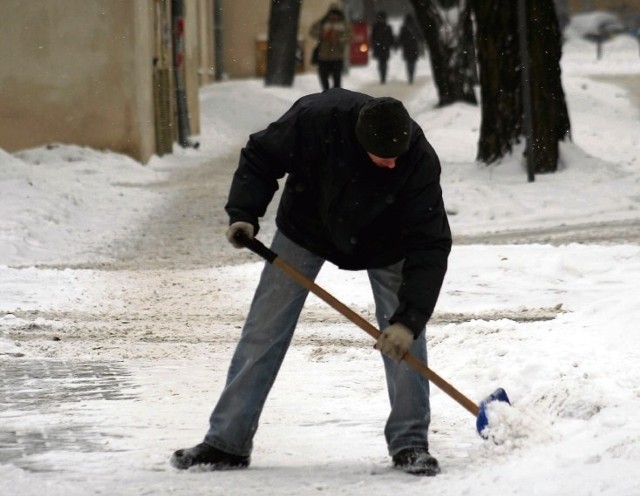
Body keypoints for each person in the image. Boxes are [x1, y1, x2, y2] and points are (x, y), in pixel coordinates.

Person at [170, 88, 452, 476]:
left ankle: (410, 443)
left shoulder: (417, 160)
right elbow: (261, 155)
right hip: (307, 226)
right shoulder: (317, 118)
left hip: (390, 243)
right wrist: (244, 213)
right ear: (358, 138)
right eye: (381, 156)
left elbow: (430, 245)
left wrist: (408, 321)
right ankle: (227, 441)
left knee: (406, 340)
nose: (390, 164)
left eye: (395, 157)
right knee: (263, 328)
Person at [309, 4, 352, 91]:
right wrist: (321, 34)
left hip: (337, 57)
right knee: (324, 80)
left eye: (336, 14)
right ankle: (326, 96)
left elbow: (350, 36)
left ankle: (336, 98)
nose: (333, 16)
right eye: (332, 14)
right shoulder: (323, 23)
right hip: (323, 57)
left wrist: (339, 40)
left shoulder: (343, 24)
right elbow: (312, 31)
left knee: (337, 82)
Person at [397, 14, 425, 84]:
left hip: (407, 48)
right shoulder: (415, 28)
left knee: (409, 63)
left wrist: (398, 45)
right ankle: (411, 75)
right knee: (412, 63)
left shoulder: (404, 28)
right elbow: (420, 37)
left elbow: (400, 38)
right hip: (414, 48)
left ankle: (410, 75)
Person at [370, 11, 395, 84]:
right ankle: (382, 76)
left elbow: (391, 37)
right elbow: (373, 37)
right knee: (381, 63)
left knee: (383, 62)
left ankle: (383, 76)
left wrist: (391, 44)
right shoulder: (376, 27)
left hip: (384, 47)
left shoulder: (387, 27)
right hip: (380, 47)